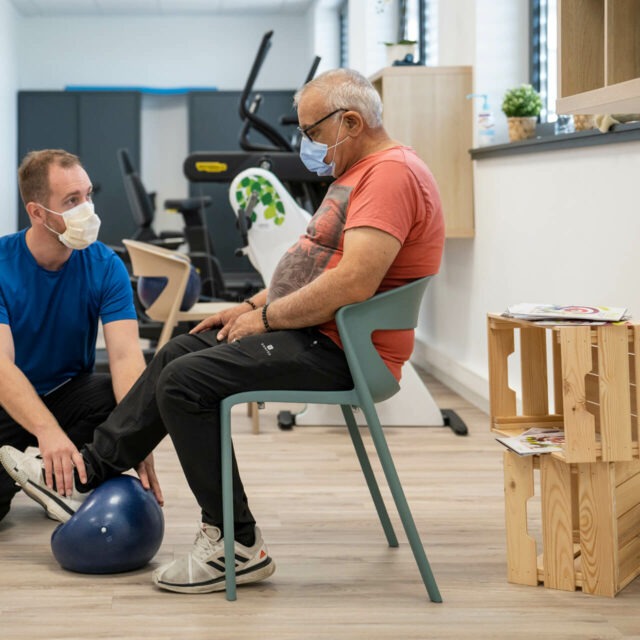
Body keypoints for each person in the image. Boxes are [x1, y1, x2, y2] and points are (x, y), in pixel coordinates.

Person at [0, 69, 444, 594]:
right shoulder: (360, 175)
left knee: (184, 381)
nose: (308, 145)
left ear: (350, 121)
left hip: (342, 348)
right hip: (314, 331)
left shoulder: (390, 175)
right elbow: (318, 268)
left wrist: (268, 318)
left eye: (312, 132)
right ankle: (88, 474)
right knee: (177, 353)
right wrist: (249, 306)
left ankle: (236, 543)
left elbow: (354, 280)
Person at [0, 149, 158, 524]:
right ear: (37, 212)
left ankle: (57, 479)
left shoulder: (106, 265)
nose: (86, 208)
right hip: (9, 401)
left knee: (128, 397)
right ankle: (38, 469)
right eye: (72, 201)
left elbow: (124, 359)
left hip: (69, 395)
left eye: (88, 195)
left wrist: (137, 437)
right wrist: (46, 431)